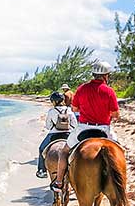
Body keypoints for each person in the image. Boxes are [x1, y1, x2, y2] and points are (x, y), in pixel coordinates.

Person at [52, 60, 119, 192]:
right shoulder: (109, 91)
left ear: (94, 74)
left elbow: (75, 109)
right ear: (106, 76)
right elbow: (116, 114)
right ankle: (120, 179)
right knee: (120, 151)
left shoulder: (82, 89)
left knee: (64, 152)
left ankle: (59, 182)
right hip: (104, 129)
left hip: (84, 128)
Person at [36, 91, 74, 177]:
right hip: (68, 135)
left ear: (54, 101)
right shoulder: (69, 110)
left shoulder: (52, 111)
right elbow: (74, 124)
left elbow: (48, 126)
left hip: (54, 135)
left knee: (41, 149)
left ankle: (42, 171)